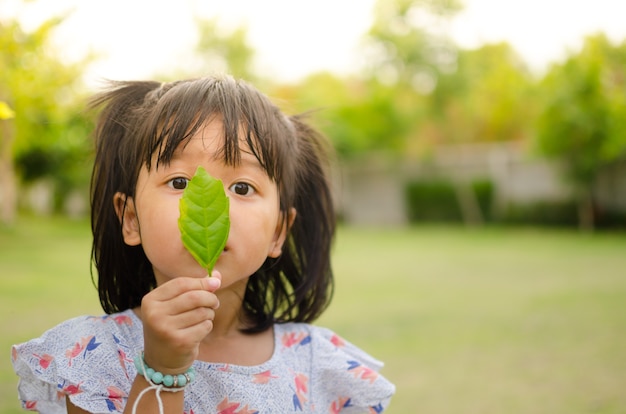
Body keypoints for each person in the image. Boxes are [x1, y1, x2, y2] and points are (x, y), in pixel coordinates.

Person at [12, 74, 395, 413]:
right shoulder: (93, 356)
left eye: (242, 187)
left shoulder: (322, 367)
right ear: (131, 219)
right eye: (180, 182)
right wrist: (162, 370)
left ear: (278, 231)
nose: (213, 205)